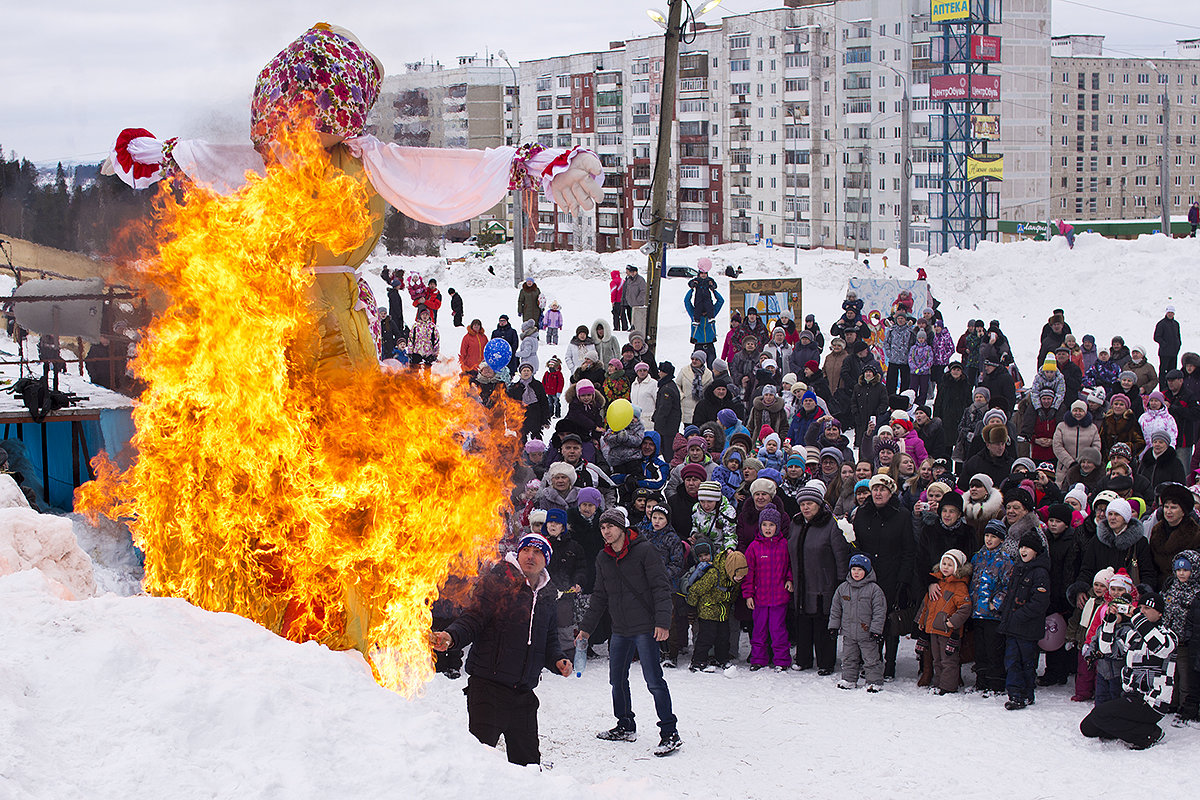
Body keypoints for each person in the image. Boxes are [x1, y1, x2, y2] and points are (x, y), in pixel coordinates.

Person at [433, 533, 572, 767]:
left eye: (538, 552)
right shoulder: (499, 580)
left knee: (528, 766)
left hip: (523, 693)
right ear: (518, 553)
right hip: (488, 687)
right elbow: (474, 617)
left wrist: (558, 659)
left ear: (546, 560)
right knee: (479, 762)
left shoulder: (548, 593)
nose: (530, 556)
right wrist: (451, 636)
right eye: (527, 550)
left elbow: (548, 638)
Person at [577, 508, 682, 757]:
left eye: (610, 526)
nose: (606, 531)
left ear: (622, 528)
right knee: (617, 680)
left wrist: (663, 622)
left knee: (654, 681)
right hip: (620, 629)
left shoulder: (644, 551)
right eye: (603, 528)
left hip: (645, 627)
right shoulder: (603, 558)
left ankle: (670, 732)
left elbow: (660, 587)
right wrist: (586, 629)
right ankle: (625, 725)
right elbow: (600, 596)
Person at [1080, 590, 1177, 749]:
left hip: (1152, 702)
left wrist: (1137, 616)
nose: (1142, 611)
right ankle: (1132, 728)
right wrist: (1109, 622)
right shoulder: (1134, 636)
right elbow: (1106, 649)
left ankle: (1149, 735)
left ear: (1160, 613)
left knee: (1101, 715)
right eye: (1141, 608)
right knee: (1089, 727)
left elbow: (1158, 647)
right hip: (1131, 697)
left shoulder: (1168, 636)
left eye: (1147, 608)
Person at [852, 473, 916, 679]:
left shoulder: (902, 515)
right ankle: (872, 661)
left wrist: (903, 579)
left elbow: (908, 549)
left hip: (892, 575)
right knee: (869, 619)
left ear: (891, 492)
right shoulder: (862, 513)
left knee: (889, 622)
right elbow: (857, 544)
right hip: (869, 575)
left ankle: (890, 663)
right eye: (875, 489)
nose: (878, 493)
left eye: (883, 489)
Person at [789, 481, 851, 674]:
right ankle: (804, 658)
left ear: (818, 504)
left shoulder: (830, 524)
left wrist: (841, 582)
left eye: (810, 503)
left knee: (823, 623)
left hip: (823, 583)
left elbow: (840, 555)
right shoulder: (796, 523)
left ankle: (826, 661)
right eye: (802, 504)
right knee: (803, 622)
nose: (806, 507)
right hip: (801, 582)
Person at [997, 532, 1052, 710]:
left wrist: (1018, 616)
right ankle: (1015, 694)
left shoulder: (1040, 573)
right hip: (1013, 626)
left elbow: (1039, 602)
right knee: (1012, 660)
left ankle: (1027, 692)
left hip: (1028, 628)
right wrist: (1005, 612)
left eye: (1027, 547)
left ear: (1036, 551)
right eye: (1021, 547)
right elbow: (1011, 594)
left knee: (1027, 662)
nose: (1023, 550)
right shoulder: (1018, 568)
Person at [915, 549, 973, 695]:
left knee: (949, 661)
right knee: (937, 659)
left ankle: (948, 686)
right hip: (933, 629)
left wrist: (953, 622)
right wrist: (922, 622)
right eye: (944, 564)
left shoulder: (959, 586)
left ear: (957, 568)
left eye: (950, 565)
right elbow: (926, 604)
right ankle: (938, 683)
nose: (946, 567)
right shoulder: (937, 583)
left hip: (948, 631)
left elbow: (965, 607)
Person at [743, 506, 793, 671]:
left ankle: (781, 660)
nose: (768, 528)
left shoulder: (784, 545)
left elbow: (790, 566)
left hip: (779, 597)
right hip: (760, 598)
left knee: (778, 630)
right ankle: (758, 659)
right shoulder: (754, 547)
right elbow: (748, 573)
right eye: (764, 525)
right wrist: (748, 594)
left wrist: (789, 579)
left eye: (771, 525)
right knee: (759, 631)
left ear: (777, 526)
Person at [829, 553, 887, 692]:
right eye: (854, 569)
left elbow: (879, 611)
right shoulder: (843, 588)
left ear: (866, 571)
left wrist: (876, 630)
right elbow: (836, 609)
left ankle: (874, 681)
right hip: (848, 632)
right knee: (849, 658)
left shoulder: (874, 590)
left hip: (867, 633)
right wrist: (833, 626)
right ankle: (849, 680)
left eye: (860, 570)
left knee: (871, 659)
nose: (856, 573)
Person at [970, 522, 1014, 696]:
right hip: (976, 612)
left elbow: (1007, 586)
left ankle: (995, 684)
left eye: (994, 536)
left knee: (993, 649)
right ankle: (981, 681)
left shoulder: (1005, 561)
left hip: (993, 615)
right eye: (987, 535)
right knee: (979, 649)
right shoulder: (977, 557)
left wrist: (995, 602)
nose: (989, 539)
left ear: (1001, 539)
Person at [685, 539, 738, 671]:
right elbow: (696, 589)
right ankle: (698, 661)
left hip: (722, 612)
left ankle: (722, 658)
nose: (704, 559)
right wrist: (691, 605)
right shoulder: (710, 573)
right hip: (707, 611)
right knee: (705, 638)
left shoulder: (718, 570)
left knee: (723, 638)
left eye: (706, 555)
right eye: (701, 557)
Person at [685, 261, 724, 365]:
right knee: (697, 368)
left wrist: (713, 290)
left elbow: (721, 301)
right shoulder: (694, 314)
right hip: (698, 345)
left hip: (710, 344)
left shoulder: (712, 313)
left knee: (712, 368)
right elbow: (686, 301)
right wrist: (692, 289)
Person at [1155, 306, 1181, 382]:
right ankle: (1163, 388)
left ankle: (1172, 388)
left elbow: (1178, 336)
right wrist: (1164, 344)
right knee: (1163, 372)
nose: (1170, 314)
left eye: (1172, 313)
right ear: (1166, 313)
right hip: (1164, 353)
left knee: (1172, 372)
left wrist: (1178, 345)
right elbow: (1157, 337)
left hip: (1174, 353)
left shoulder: (1176, 324)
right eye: (1169, 313)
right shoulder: (1161, 324)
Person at [622, 265, 649, 334]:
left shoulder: (640, 280)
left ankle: (637, 328)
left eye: (634, 272)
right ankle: (632, 326)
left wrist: (639, 299)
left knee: (637, 316)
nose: (632, 273)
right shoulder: (629, 279)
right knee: (631, 315)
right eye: (631, 272)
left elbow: (644, 290)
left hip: (637, 302)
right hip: (630, 302)